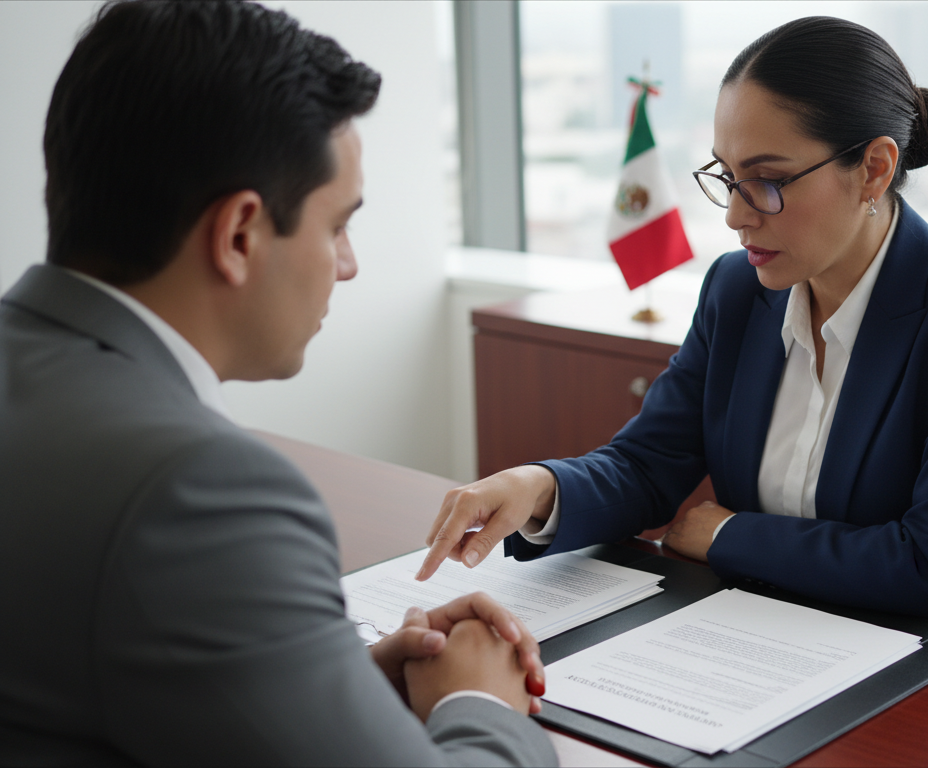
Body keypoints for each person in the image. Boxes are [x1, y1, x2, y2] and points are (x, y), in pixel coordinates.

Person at [0, 1, 556, 764]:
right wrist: (481, 704)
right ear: (238, 235)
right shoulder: (201, 490)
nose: (349, 263)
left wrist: (331, 684)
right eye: (336, 226)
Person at [420, 16, 928, 637]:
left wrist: (726, 536)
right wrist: (538, 488)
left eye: (767, 180)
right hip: (781, 633)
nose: (734, 215)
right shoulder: (736, 290)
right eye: (727, 176)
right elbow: (649, 465)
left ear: (873, 168)